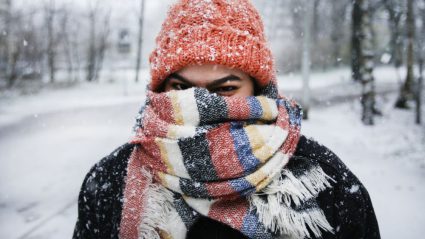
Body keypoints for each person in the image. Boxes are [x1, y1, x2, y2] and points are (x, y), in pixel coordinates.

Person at [73, 0, 380, 238]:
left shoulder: (323, 180)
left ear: (259, 90)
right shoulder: (111, 182)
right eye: (181, 87)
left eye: (226, 89)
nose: (201, 104)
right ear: (160, 89)